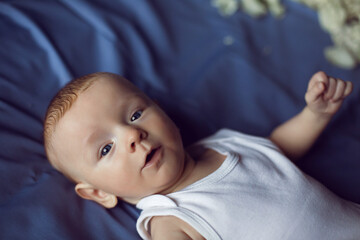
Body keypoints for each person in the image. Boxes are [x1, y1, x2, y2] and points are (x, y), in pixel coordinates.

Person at [44, 71, 360, 240]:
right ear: (99, 193)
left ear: (161, 110)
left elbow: (275, 149)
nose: (131, 135)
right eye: (105, 148)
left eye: (136, 114)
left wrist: (315, 115)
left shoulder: (221, 143)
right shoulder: (170, 218)